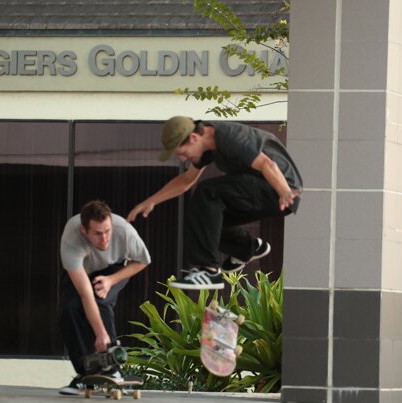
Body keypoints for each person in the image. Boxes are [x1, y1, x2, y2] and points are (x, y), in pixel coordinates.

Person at [128, 116, 302, 290]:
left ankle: (209, 271)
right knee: (206, 220)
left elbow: (267, 164)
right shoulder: (206, 146)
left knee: (207, 192)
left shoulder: (229, 137)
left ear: (194, 138)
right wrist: (152, 201)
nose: (183, 159)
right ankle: (248, 247)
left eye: (183, 153)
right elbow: (186, 180)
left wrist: (285, 192)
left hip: (277, 187)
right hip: (263, 190)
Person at [58, 200, 151, 395]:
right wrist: (100, 334)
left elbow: (142, 261)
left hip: (114, 269)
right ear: (84, 230)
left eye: (108, 231)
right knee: (69, 309)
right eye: (98, 233)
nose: (105, 239)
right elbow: (85, 295)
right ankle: (85, 373)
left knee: (102, 300)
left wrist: (111, 280)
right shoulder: (72, 238)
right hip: (83, 269)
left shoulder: (125, 232)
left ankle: (113, 369)